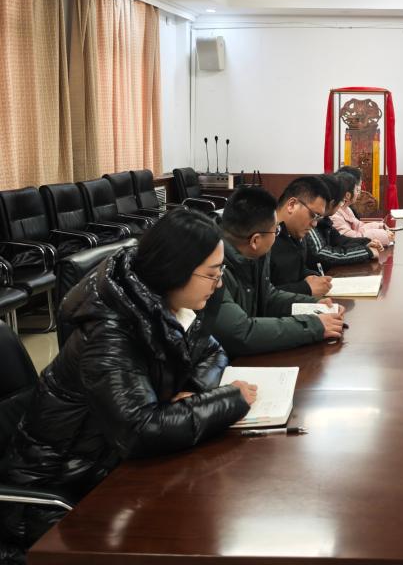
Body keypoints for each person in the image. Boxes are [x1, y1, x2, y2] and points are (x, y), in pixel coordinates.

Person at [0, 209, 256, 555]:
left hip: (107, 468)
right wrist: (230, 400)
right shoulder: (109, 332)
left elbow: (212, 352)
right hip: (56, 499)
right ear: (175, 270)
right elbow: (141, 431)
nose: (220, 283)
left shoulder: (157, 303)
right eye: (212, 274)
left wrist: (192, 392)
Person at [207, 186, 345, 358]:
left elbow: (268, 297)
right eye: (276, 230)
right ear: (255, 240)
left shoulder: (254, 253)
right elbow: (241, 333)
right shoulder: (211, 267)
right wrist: (314, 326)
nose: (277, 235)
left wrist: (314, 306)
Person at [269, 176, 334, 296]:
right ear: (292, 205)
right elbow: (259, 295)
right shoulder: (264, 235)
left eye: (318, 218)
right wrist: (305, 288)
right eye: (313, 215)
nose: (314, 224)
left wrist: (311, 276)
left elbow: (295, 270)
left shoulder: (294, 234)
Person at [308, 173, 383, 268]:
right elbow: (322, 254)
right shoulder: (312, 221)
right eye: (341, 201)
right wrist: (367, 252)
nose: (342, 204)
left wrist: (365, 243)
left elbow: (340, 240)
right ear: (332, 202)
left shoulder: (325, 219)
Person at [332, 170, 394, 248]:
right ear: (348, 195)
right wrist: (384, 235)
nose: (359, 193)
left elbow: (359, 227)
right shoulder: (334, 215)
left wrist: (379, 226)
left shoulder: (346, 209)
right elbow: (353, 238)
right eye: (356, 190)